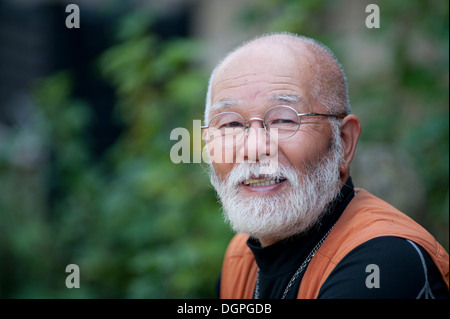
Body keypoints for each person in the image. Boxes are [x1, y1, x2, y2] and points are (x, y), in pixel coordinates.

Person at [201, 32, 449, 299]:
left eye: (284, 120)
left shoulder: (382, 261)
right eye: (231, 125)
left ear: (343, 141)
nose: (254, 148)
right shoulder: (241, 258)